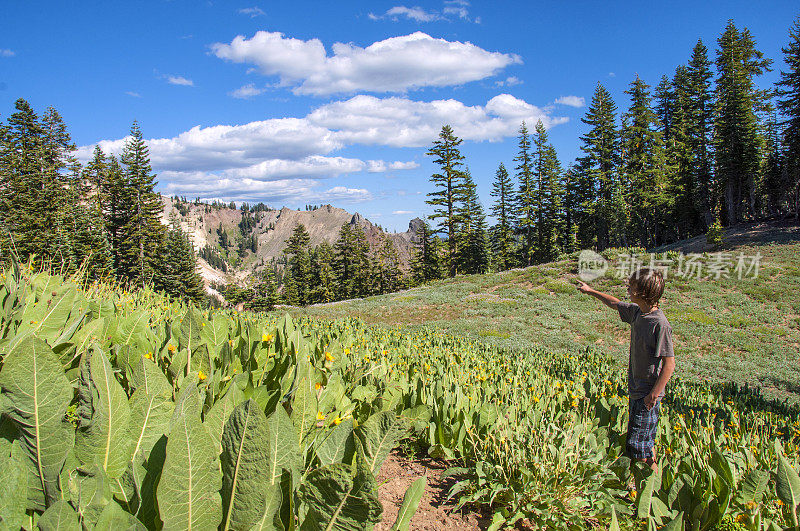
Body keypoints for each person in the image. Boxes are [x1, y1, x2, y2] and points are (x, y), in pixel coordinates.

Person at [576, 267, 675, 472]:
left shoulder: (660, 324)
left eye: (632, 286)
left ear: (643, 292)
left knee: (638, 447)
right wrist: (590, 290)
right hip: (637, 390)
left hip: (647, 394)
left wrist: (654, 395)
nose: (628, 288)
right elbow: (615, 303)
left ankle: (645, 492)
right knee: (644, 443)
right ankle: (649, 488)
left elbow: (669, 364)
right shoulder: (638, 312)